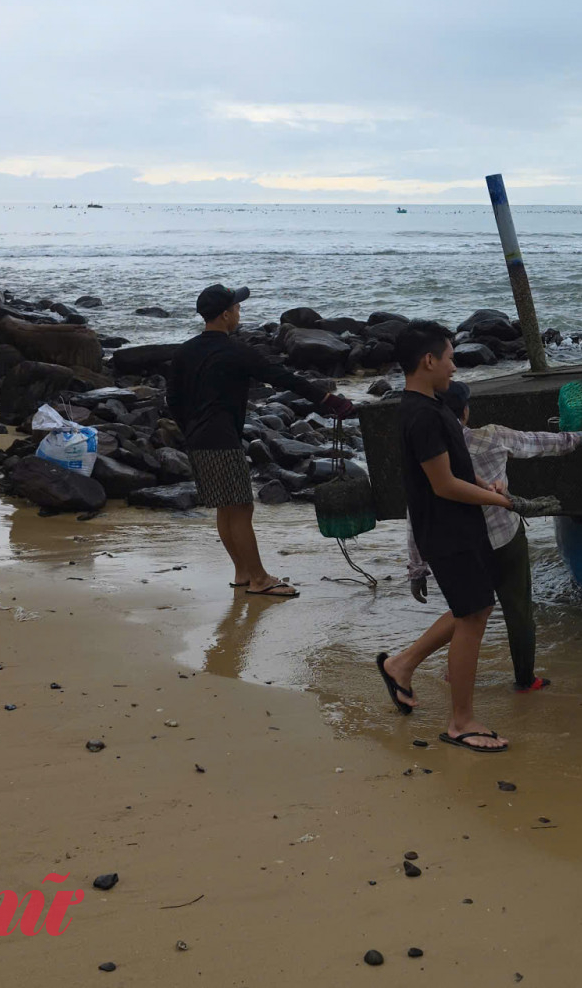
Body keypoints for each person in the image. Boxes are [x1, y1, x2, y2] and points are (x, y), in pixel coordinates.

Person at [372, 320, 516, 753]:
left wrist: (485, 487)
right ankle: (461, 722)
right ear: (428, 360)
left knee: (471, 609)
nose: (455, 366)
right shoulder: (421, 415)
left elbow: (458, 472)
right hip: (448, 531)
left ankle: (400, 666)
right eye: (450, 358)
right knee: (473, 616)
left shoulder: (434, 407)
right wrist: (500, 503)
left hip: (459, 526)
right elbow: (443, 486)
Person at [167, 284, 353, 598]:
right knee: (240, 508)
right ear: (225, 314)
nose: (239, 313)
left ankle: (242, 572)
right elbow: (283, 378)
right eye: (236, 308)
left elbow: (173, 399)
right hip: (221, 439)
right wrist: (327, 400)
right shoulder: (235, 351)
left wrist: (191, 428)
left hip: (197, 437)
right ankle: (259, 579)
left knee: (226, 509)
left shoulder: (185, 351)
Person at [402, 380, 582, 692]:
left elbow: (416, 513)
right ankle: (526, 680)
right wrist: (579, 438)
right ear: (465, 411)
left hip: (462, 547)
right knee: (518, 610)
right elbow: (541, 443)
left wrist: (416, 568)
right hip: (504, 538)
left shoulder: (429, 453)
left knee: (467, 612)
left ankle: (455, 673)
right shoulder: (491, 436)